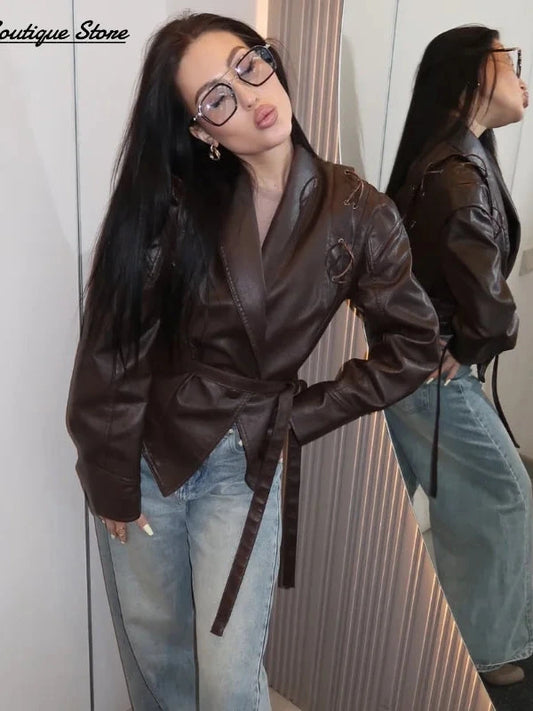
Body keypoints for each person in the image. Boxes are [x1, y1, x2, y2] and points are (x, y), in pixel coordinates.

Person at [66, 12, 439, 710]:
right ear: (201, 131)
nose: (248, 96)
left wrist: (302, 414)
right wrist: (111, 475)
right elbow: (116, 348)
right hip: (149, 452)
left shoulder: (357, 212)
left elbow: (415, 346)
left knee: (230, 677)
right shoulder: (176, 202)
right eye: (216, 97)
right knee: (159, 652)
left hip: (246, 463)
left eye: (248, 65)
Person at [384, 25, 532, 687]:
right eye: (511, 60)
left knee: (453, 506)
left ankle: (461, 644)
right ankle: (479, 656)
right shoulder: (455, 174)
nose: (522, 77)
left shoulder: (453, 161)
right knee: (503, 498)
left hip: (418, 370)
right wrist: (472, 343)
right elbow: (491, 308)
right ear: (473, 72)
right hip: (433, 377)